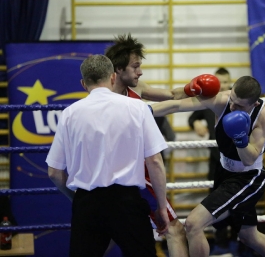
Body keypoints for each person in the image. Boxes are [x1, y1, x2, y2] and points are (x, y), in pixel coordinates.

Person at [105, 34, 219, 257]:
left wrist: (191, 88)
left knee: (106, 235)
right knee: (173, 229)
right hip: (135, 174)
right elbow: (168, 107)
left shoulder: (135, 89)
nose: (140, 72)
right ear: (118, 69)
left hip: (117, 176)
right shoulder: (107, 99)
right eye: (135, 66)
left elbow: (171, 95)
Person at [46, 55, 169, 257]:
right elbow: (155, 161)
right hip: (127, 203)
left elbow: (54, 173)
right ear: (113, 77)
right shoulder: (137, 107)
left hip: (87, 204)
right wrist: (162, 208)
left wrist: (76, 199)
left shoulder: (69, 113)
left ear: (83, 83)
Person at [151, 76, 265, 257]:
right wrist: (143, 110)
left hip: (248, 178)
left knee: (193, 224)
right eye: (233, 101)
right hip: (223, 172)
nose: (232, 108)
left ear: (253, 105)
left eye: (239, 106)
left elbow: (249, 158)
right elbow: (178, 105)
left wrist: (240, 139)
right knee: (249, 236)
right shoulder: (223, 101)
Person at [187, 67, 239, 256]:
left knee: (236, 203)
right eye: (221, 82)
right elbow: (192, 116)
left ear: (230, 82)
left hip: (236, 161)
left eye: (226, 82)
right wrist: (196, 123)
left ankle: (235, 241)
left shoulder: (238, 102)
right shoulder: (211, 101)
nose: (224, 85)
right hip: (215, 160)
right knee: (214, 204)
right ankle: (221, 243)